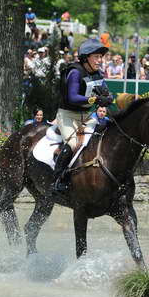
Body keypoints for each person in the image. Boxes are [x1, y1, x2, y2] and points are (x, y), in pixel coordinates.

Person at [53, 38, 112, 192]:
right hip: (67, 115)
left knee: (99, 141)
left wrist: (109, 97)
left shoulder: (97, 74)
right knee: (73, 144)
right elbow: (72, 97)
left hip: (85, 116)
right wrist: (95, 99)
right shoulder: (75, 72)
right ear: (86, 57)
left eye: (101, 57)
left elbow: (105, 91)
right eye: (97, 57)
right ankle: (58, 179)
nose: (100, 60)